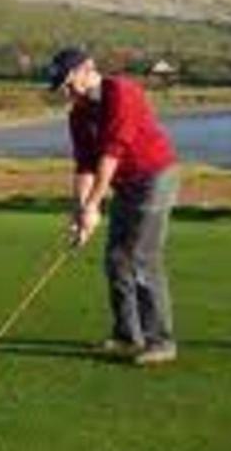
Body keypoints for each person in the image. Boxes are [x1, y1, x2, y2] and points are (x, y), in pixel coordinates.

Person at [47, 48, 180, 365]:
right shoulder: (78, 113)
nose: (66, 92)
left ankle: (160, 341)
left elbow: (111, 153)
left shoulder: (122, 91)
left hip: (155, 177)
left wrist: (94, 205)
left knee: (141, 257)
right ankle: (126, 335)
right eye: (61, 88)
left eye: (68, 84)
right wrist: (80, 212)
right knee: (116, 258)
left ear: (86, 70)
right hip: (124, 183)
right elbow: (85, 165)